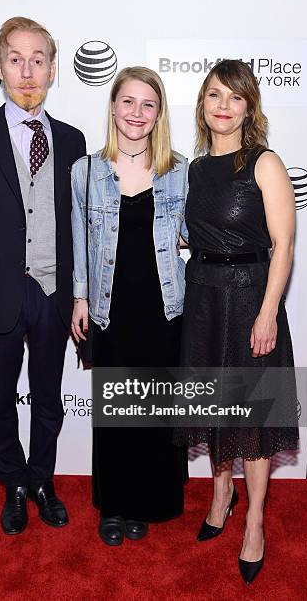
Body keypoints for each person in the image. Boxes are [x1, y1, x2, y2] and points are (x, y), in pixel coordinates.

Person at [0, 17, 86, 535]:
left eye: (38, 60)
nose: (27, 71)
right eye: (15, 59)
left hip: (53, 293)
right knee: (0, 399)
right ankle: (14, 484)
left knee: (49, 398)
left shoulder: (72, 140)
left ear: (52, 68)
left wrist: (80, 295)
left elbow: (78, 225)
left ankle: (43, 479)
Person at [175, 60, 299, 583]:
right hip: (202, 298)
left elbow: (283, 244)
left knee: (252, 418)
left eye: (234, 97)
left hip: (250, 300)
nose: (223, 106)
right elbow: (193, 231)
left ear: (250, 107)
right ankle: (221, 492)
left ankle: (254, 520)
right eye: (213, 96)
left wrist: (269, 311)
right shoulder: (194, 169)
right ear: (202, 105)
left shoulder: (263, 163)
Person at [71, 67, 188, 546]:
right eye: (128, 102)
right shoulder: (87, 170)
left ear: (159, 113)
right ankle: (114, 507)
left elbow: (196, 235)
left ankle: (148, 502)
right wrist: (79, 296)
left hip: (163, 309)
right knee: (116, 411)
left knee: (155, 411)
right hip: (109, 309)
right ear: (113, 107)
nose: (136, 113)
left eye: (148, 104)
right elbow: (79, 238)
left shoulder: (180, 170)